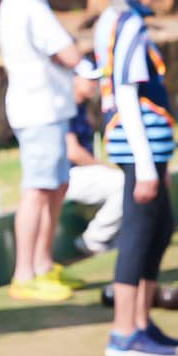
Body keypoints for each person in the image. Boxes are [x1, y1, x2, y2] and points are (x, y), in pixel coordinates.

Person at [95, 0, 178, 356]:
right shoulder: (128, 23)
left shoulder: (120, 20)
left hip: (145, 143)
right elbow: (126, 93)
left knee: (159, 228)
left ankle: (141, 323)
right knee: (139, 233)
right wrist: (147, 165)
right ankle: (124, 333)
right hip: (139, 144)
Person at [0, 0, 86, 302]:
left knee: (54, 186)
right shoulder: (29, 3)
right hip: (40, 109)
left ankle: (43, 265)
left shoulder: (20, 1)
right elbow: (69, 52)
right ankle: (25, 273)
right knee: (38, 189)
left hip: (46, 108)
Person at [65, 67, 125, 256]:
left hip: (81, 173)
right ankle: (94, 238)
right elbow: (73, 152)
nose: (94, 84)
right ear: (74, 79)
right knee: (123, 183)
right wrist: (103, 166)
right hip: (68, 176)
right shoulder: (65, 107)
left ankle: (112, 238)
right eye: (89, 80)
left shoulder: (81, 107)